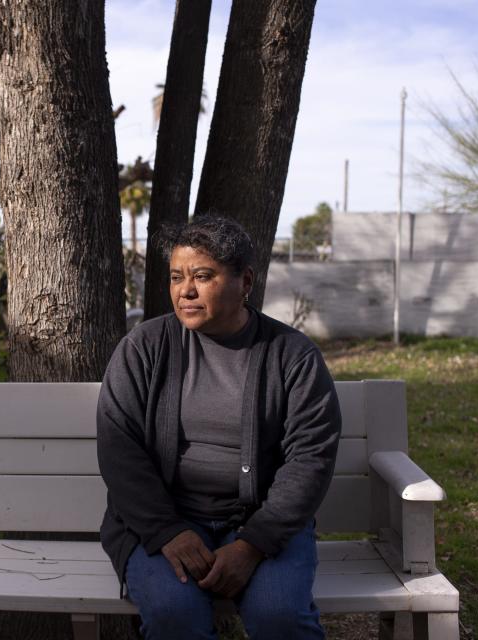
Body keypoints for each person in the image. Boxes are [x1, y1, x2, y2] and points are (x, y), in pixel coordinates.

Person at [96, 216, 342, 639]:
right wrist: (167, 531)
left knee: (279, 616)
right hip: (164, 519)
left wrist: (252, 545)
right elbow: (120, 451)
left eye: (202, 276)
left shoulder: (292, 356)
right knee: (176, 615)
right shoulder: (143, 348)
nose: (185, 290)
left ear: (244, 282)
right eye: (176, 277)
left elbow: (310, 459)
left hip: (262, 522)